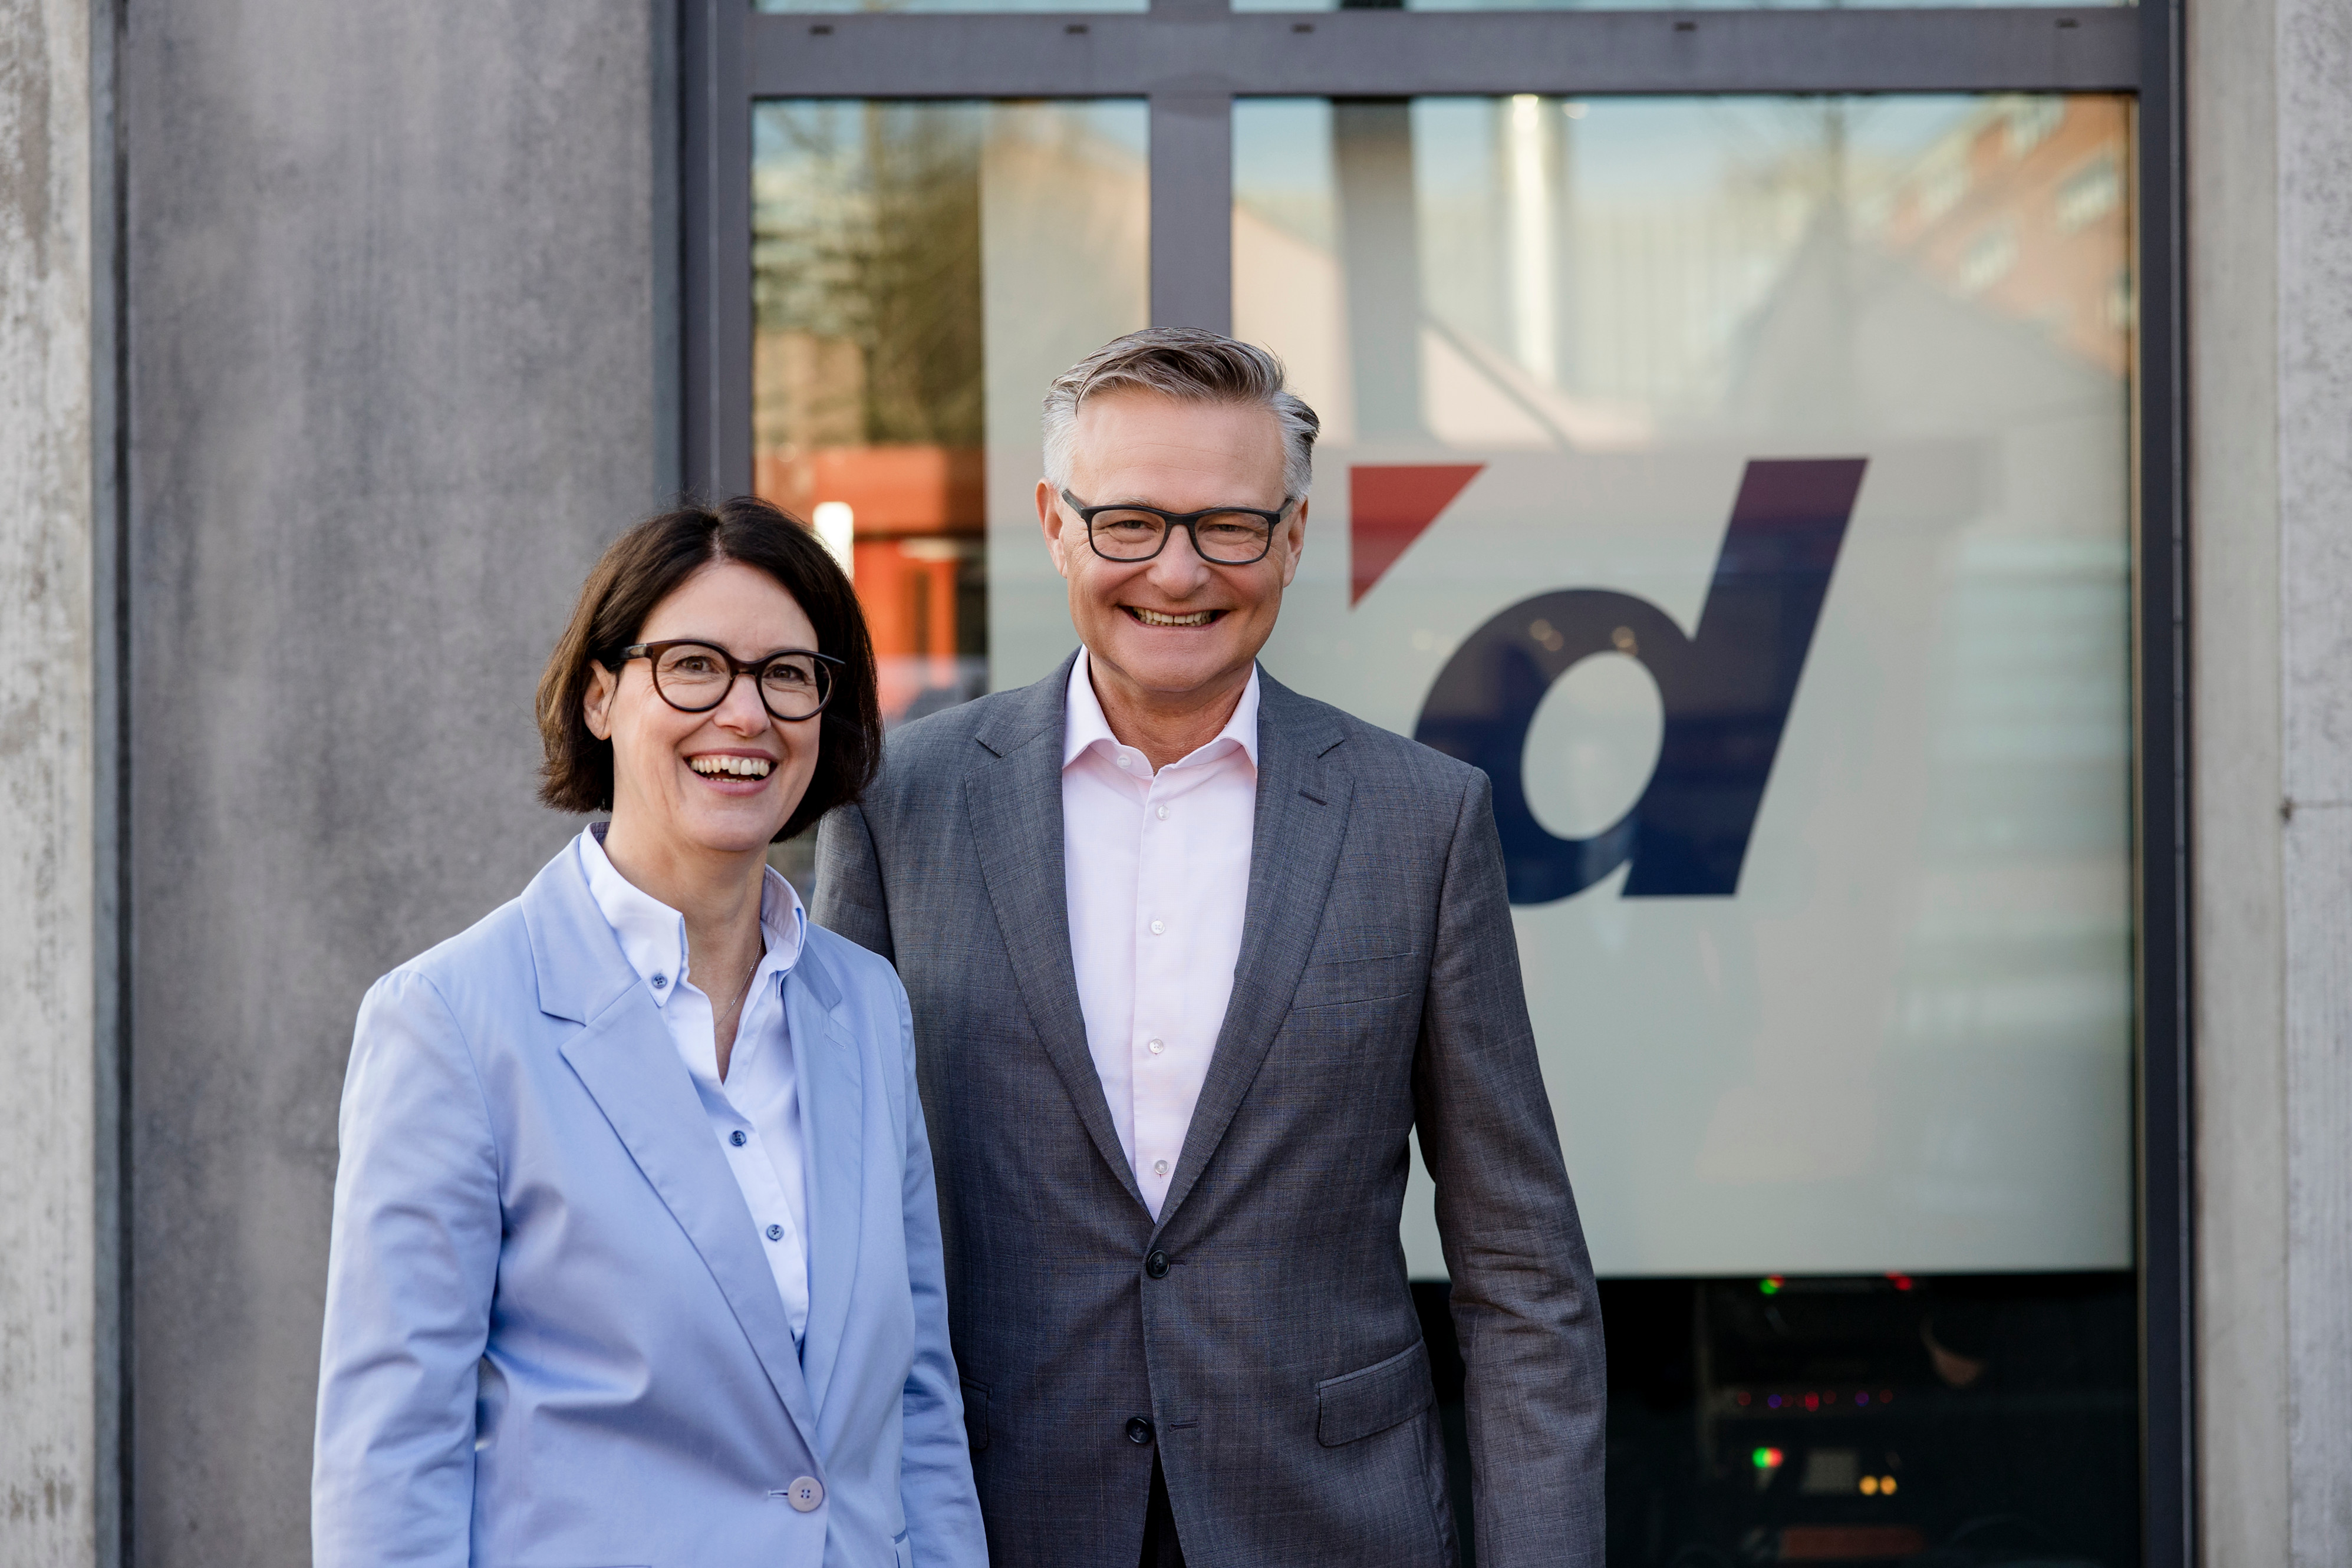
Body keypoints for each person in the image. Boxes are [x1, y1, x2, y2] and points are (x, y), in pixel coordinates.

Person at [815, 329, 1605, 1567]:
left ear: (1292, 538)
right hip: (995, 1520)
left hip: (1331, 1527)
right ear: (1055, 525)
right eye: (1128, 522)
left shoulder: (1423, 820)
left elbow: (1520, 1268)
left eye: (1228, 526)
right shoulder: (899, 800)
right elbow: (829, 1213)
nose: (1177, 572)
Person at [312, 498, 986, 1568]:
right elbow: (390, 1462)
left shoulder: (865, 1004)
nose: (746, 714)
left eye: (787, 674)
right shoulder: (451, 1019)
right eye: (693, 667)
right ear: (599, 696)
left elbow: (915, 1401)